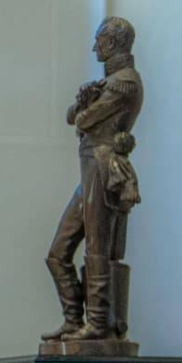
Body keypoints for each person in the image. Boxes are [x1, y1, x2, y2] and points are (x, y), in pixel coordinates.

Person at [43, 17, 144, 342]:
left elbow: (83, 121)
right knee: (58, 253)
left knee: (97, 247)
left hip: (103, 169)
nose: (94, 48)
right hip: (90, 169)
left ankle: (97, 323)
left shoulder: (125, 83)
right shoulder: (109, 82)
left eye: (98, 42)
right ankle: (74, 320)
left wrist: (85, 106)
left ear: (112, 43)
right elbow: (72, 115)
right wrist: (83, 102)